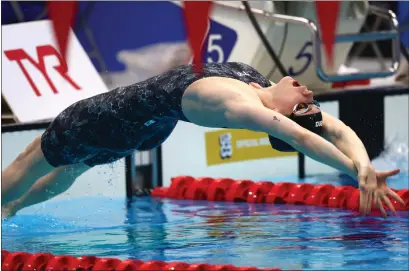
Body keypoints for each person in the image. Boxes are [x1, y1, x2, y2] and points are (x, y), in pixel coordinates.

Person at [2, 62, 404, 218]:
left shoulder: (241, 105)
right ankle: (14, 208)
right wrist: (364, 167)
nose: (309, 93)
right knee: (71, 168)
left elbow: (303, 136)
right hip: (148, 130)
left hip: (110, 115)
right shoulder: (259, 87)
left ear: (282, 114)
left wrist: (353, 170)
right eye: (311, 99)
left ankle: (8, 203)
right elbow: (333, 129)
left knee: (30, 158)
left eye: (306, 102)